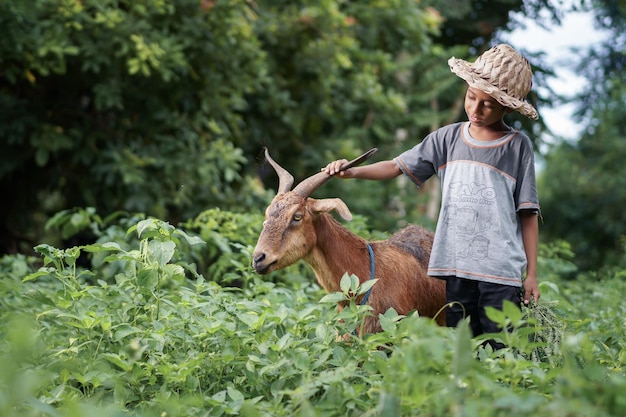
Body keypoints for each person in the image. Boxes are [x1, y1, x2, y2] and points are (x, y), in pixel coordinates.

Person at [322, 44, 540, 347]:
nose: (475, 110)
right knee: (463, 349)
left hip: (500, 273)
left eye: (488, 105)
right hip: (455, 269)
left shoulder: (517, 147)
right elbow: (396, 166)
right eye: (471, 98)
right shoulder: (447, 138)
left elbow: (527, 213)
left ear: (507, 107)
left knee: (502, 350)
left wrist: (531, 275)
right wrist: (351, 170)